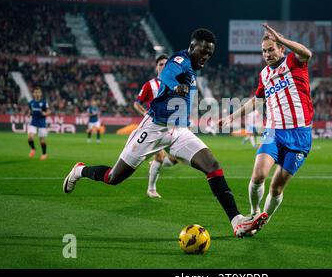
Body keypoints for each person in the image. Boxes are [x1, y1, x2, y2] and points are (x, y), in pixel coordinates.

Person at [63, 28, 268, 237]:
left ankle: (237, 221)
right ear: (192, 47)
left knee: (213, 166)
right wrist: (177, 86)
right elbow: (167, 74)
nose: (206, 57)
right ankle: (80, 171)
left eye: (209, 54)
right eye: (203, 52)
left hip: (178, 131)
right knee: (113, 177)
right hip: (154, 129)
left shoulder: (192, 68)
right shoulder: (181, 59)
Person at [220, 23, 314, 232]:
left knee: (276, 186)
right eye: (264, 51)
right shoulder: (264, 74)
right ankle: (254, 212)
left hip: (299, 135)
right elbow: (256, 100)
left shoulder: (293, 62)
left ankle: (264, 218)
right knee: (258, 175)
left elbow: (307, 52)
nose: (267, 54)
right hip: (273, 132)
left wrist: (282, 39)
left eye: (271, 49)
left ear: (281, 48)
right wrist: (231, 117)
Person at [133, 54, 178, 198]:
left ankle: (154, 164)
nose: (163, 67)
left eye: (166, 64)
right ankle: (151, 189)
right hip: (154, 126)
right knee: (160, 155)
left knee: (173, 160)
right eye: (160, 64)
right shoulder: (150, 85)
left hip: (171, 126)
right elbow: (137, 103)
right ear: (156, 67)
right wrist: (145, 113)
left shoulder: (175, 85)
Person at [27, 87, 51, 160]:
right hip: (33, 122)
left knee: (42, 141)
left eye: (38, 92)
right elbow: (30, 111)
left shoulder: (44, 103)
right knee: (30, 138)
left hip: (41, 123)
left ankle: (44, 154)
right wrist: (29, 113)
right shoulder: (31, 103)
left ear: (40, 94)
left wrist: (45, 113)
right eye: (36, 92)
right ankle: (33, 149)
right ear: (33, 94)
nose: (37, 94)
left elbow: (49, 111)